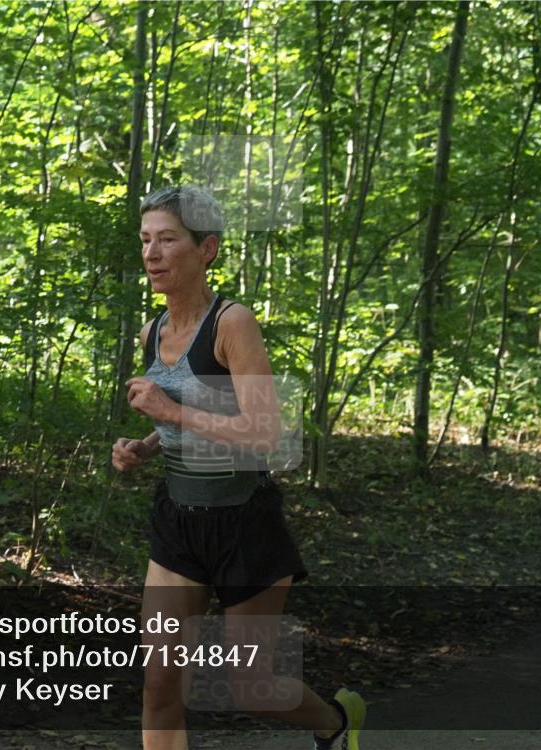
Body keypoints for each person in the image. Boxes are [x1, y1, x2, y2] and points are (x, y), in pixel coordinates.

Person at [111, 185, 366, 750]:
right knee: (159, 683)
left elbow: (263, 433)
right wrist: (145, 446)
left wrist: (168, 410)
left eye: (167, 240)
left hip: (243, 524)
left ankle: (336, 724)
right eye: (146, 240)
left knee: (249, 688)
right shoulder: (153, 331)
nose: (151, 253)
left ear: (207, 249)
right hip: (179, 523)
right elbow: (188, 418)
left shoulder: (232, 323)